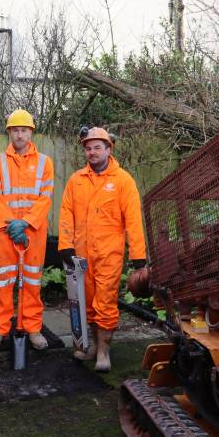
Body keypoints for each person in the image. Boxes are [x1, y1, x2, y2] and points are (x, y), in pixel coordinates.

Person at [58, 127, 147, 372]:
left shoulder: (123, 181)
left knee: (105, 302)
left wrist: (139, 256)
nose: (92, 152)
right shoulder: (76, 180)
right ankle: (91, 346)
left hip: (109, 254)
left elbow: (133, 220)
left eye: (97, 147)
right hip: (81, 254)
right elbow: (66, 214)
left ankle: (104, 351)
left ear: (109, 149)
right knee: (85, 302)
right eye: (88, 148)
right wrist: (66, 245)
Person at [0, 109, 54, 350]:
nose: (20, 134)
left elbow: (45, 197)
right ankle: (0, 329)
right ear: (10, 133)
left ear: (31, 133)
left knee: (32, 281)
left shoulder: (45, 163)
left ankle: (32, 327)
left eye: (24, 130)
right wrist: (10, 224)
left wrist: (25, 222)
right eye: (15, 130)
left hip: (33, 232)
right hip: (4, 232)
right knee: (2, 282)